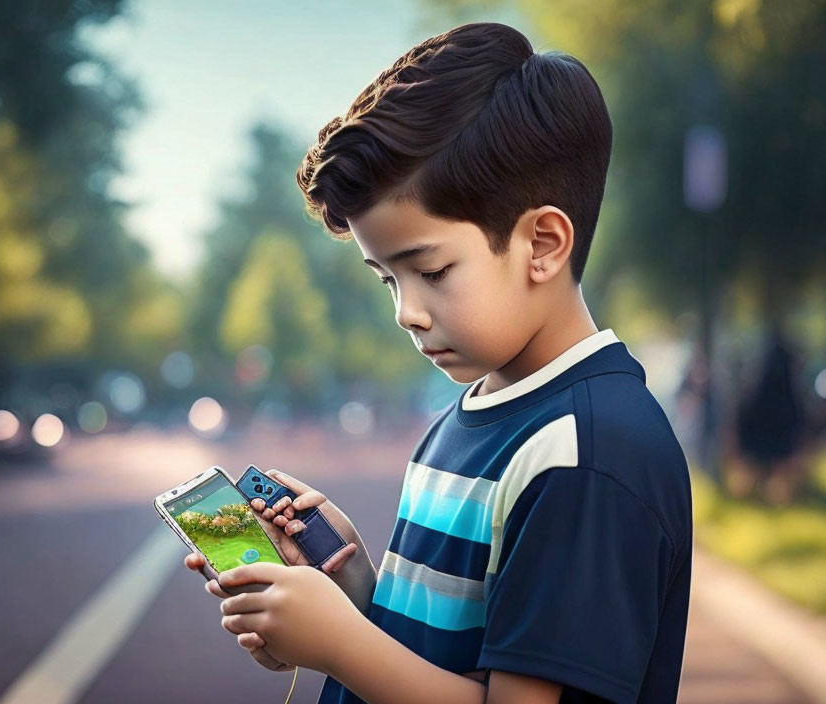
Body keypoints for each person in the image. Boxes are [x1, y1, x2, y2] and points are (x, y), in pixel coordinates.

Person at [185, 21, 692, 704]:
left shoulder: (586, 457)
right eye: (387, 280)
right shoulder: (477, 407)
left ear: (542, 243)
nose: (406, 312)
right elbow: (450, 651)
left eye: (430, 270)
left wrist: (339, 642)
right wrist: (354, 590)